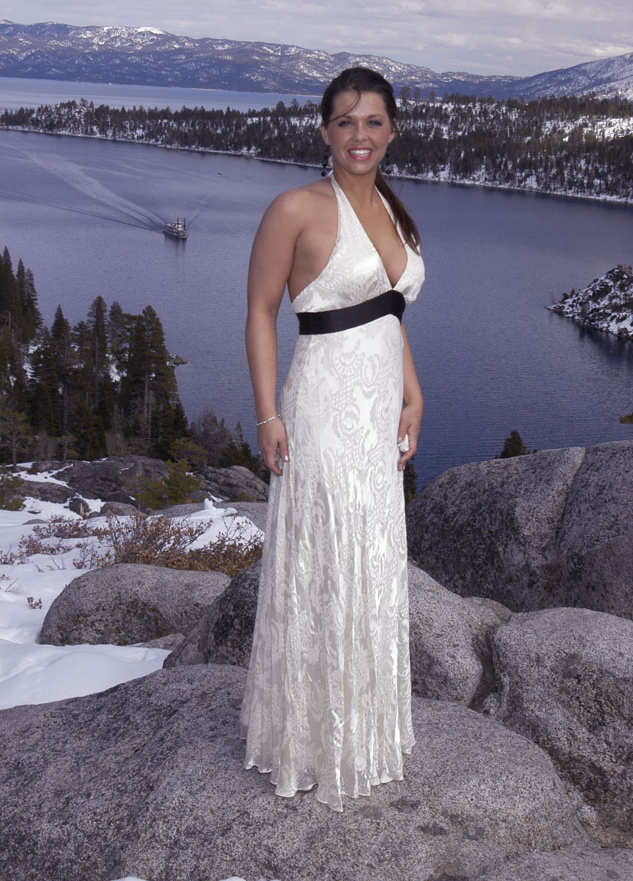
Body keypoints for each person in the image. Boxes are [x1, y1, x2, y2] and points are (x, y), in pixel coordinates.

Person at [239, 66, 425, 812]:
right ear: (324, 131)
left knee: (372, 559)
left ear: (391, 132)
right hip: (318, 409)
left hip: (378, 411)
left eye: (373, 122)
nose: (360, 135)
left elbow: (386, 314)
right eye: (345, 121)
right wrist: (267, 417)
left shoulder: (394, 209)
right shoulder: (294, 208)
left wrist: (413, 391)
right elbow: (259, 315)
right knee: (323, 557)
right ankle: (309, 738)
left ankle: (364, 733)